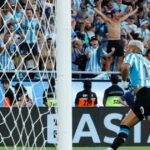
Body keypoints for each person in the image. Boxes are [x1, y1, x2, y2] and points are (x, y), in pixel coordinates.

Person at [107, 40, 150, 150]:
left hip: (145, 93)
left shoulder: (132, 55)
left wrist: (124, 81)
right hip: (142, 95)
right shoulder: (146, 61)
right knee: (125, 123)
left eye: (128, 47)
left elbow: (125, 68)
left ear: (134, 49)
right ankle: (111, 149)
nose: (125, 49)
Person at [95, 3, 138, 71]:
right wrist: (95, 9)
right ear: (113, 14)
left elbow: (128, 15)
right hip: (111, 41)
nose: (118, 14)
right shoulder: (109, 20)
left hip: (118, 41)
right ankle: (107, 75)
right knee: (110, 59)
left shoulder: (119, 21)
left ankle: (118, 73)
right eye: (117, 13)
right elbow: (101, 14)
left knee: (121, 57)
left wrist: (135, 10)